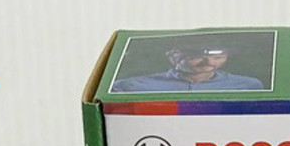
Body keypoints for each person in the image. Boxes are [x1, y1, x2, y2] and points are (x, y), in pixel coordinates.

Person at [112, 45, 264, 92]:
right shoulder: (131, 86)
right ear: (173, 56)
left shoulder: (248, 86)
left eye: (218, 57)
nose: (208, 62)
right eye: (196, 56)